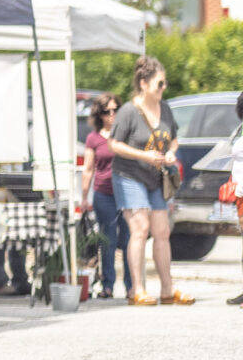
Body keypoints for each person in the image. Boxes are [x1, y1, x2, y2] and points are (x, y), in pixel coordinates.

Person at [109, 58, 190, 306]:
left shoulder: (165, 108)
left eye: (164, 83)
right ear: (143, 84)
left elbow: (173, 139)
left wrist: (171, 153)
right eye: (159, 83)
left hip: (156, 177)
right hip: (129, 176)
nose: (163, 88)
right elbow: (114, 144)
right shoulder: (128, 112)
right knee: (140, 229)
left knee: (162, 231)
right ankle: (137, 289)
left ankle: (167, 289)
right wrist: (144, 155)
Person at [80, 96, 129, 301]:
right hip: (103, 192)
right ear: (98, 114)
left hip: (126, 193)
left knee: (128, 239)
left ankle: (132, 285)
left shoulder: (125, 135)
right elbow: (88, 168)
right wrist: (84, 197)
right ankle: (108, 284)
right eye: (106, 111)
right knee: (107, 240)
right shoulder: (93, 138)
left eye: (115, 110)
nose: (111, 115)